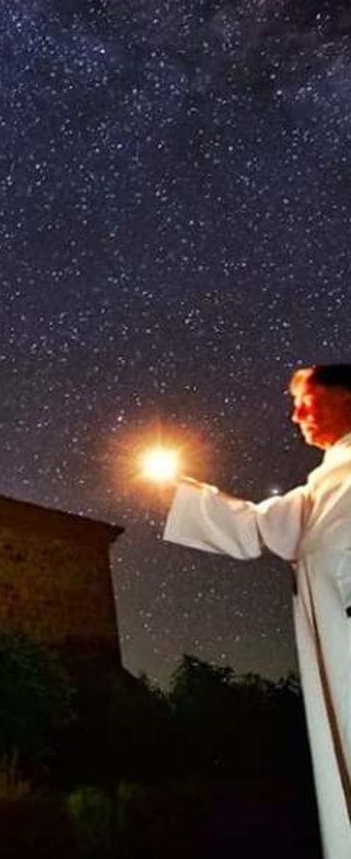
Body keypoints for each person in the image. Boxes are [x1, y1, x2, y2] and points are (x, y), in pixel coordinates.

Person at [162, 364, 351, 859]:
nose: (294, 416)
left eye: (304, 401)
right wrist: (179, 493)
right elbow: (259, 527)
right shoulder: (322, 484)